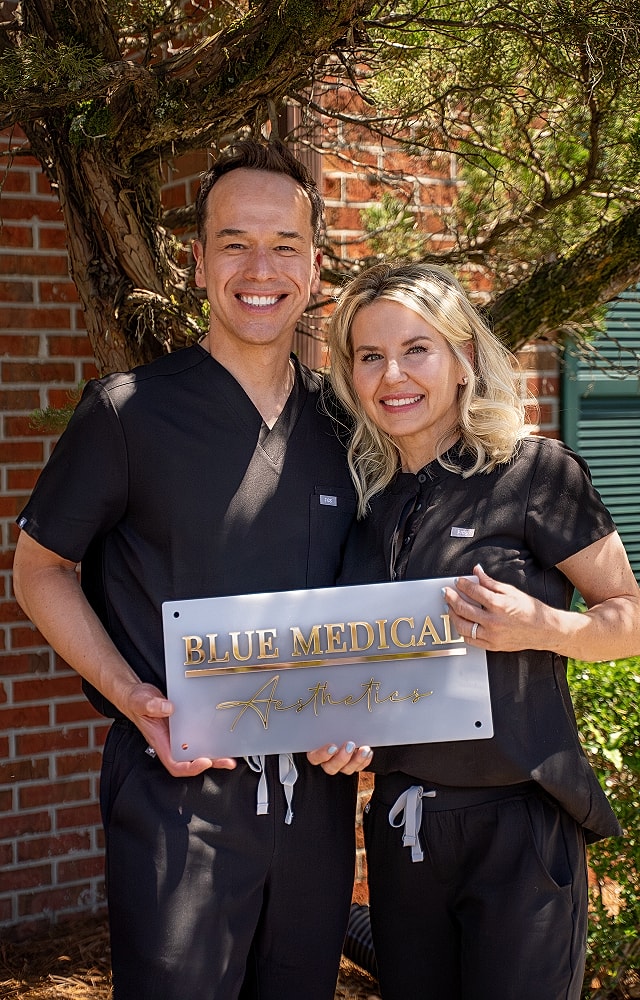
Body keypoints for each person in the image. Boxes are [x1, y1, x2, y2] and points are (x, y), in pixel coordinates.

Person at [12, 138, 370, 1000]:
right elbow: (41, 569)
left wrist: (372, 704)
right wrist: (131, 696)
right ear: (199, 262)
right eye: (235, 243)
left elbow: (377, 589)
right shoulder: (128, 413)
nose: (261, 269)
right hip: (176, 791)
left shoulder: (350, 424)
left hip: (316, 802)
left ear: (314, 267)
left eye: (284, 245)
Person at [325, 261, 640, 1000]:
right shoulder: (357, 499)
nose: (393, 375)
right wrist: (336, 723)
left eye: (417, 349)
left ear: (464, 357)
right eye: (370, 356)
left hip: (519, 824)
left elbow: (629, 617)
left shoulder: (533, 472)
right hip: (404, 825)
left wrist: (543, 625)